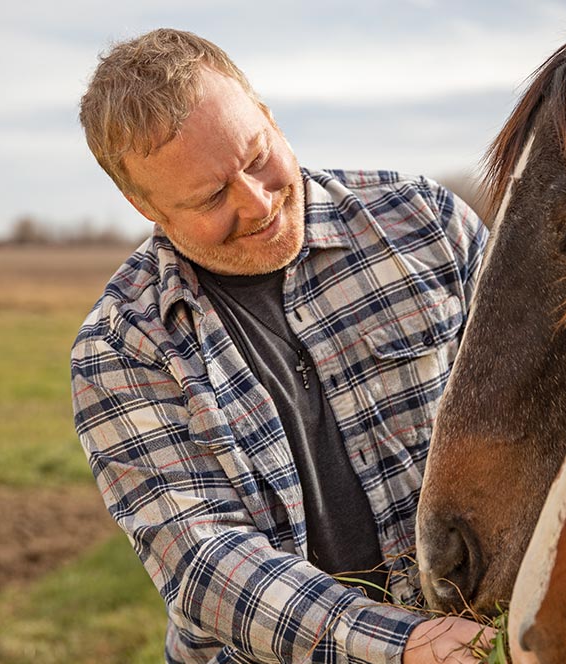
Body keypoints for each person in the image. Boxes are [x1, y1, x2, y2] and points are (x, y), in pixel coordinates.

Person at [71, 28, 491, 664]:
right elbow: (204, 561)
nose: (258, 202)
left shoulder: (425, 225)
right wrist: (402, 644)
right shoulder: (120, 348)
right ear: (144, 204)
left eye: (257, 156)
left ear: (265, 114)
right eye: (212, 196)